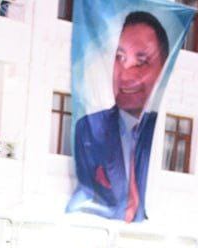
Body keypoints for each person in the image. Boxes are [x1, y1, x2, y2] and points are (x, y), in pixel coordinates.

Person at [67, 11, 168, 222]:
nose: (125, 74)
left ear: (162, 70)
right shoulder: (89, 130)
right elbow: (86, 193)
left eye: (141, 62)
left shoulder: (159, 131)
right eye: (120, 58)